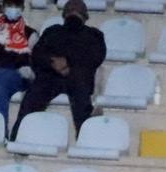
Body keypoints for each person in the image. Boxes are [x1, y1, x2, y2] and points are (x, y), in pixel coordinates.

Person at [10, 0, 104, 138]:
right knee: (32, 98)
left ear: (84, 17)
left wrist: (67, 63)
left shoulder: (94, 35)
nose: (73, 13)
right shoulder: (52, 31)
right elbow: (37, 54)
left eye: (77, 11)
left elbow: (95, 57)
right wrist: (52, 62)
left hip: (77, 77)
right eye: (70, 10)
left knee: (82, 99)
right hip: (50, 76)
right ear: (64, 15)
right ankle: (17, 137)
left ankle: (87, 138)